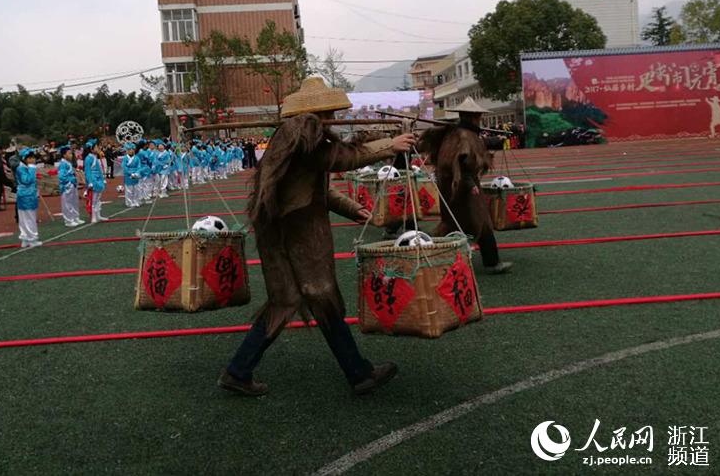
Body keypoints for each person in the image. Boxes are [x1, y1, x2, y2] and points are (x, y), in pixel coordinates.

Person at [218, 77, 417, 397]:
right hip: (297, 230)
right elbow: (337, 160)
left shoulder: (297, 139)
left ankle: (238, 371)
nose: (335, 119)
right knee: (320, 294)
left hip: (277, 228)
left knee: (288, 301)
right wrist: (387, 146)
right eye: (332, 113)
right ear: (319, 112)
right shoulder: (304, 133)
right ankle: (359, 373)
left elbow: (316, 185)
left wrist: (352, 208)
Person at [420, 97, 512, 274]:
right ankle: (492, 263)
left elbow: (477, 147)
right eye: (478, 116)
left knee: (452, 222)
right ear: (474, 116)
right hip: (461, 186)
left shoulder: (457, 133)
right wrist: (471, 184)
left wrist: (496, 141)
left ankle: (435, 255)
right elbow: (462, 162)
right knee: (481, 223)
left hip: (451, 186)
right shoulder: (464, 136)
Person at [15, 148, 42, 248]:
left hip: (27, 195)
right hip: (27, 195)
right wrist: (32, 168)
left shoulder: (23, 168)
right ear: (25, 159)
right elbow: (27, 180)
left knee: (26, 218)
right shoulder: (22, 168)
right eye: (31, 158)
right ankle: (32, 239)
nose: (33, 160)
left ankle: (26, 238)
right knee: (28, 218)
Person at [57, 145, 84, 227]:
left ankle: (75, 217)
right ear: (64, 155)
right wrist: (69, 183)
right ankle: (68, 220)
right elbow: (61, 176)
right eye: (69, 153)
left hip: (73, 184)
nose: (71, 155)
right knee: (67, 203)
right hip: (67, 186)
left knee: (74, 202)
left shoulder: (68, 163)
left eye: (71, 153)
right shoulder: (62, 164)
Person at [83, 139, 108, 223]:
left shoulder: (94, 157)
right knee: (94, 199)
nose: (98, 149)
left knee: (98, 199)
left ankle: (98, 215)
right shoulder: (88, 158)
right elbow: (88, 172)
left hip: (98, 180)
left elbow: (99, 170)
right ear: (91, 149)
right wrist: (90, 182)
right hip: (93, 180)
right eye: (96, 147)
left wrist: (102, 179)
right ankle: (93, 217)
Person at [121, 142, 141, 207]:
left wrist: (136, 173)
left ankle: (136, 201)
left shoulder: (137, 158)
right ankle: (129, 202)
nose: (131, 151)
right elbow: (124, 167)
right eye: (129, 150)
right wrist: (130, 173)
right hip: (128, 176)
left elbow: (139, 166)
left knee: (136, 189)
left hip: (135, 175)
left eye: (132, 149)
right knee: (129, 190)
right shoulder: (125, 158)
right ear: (127, 151)